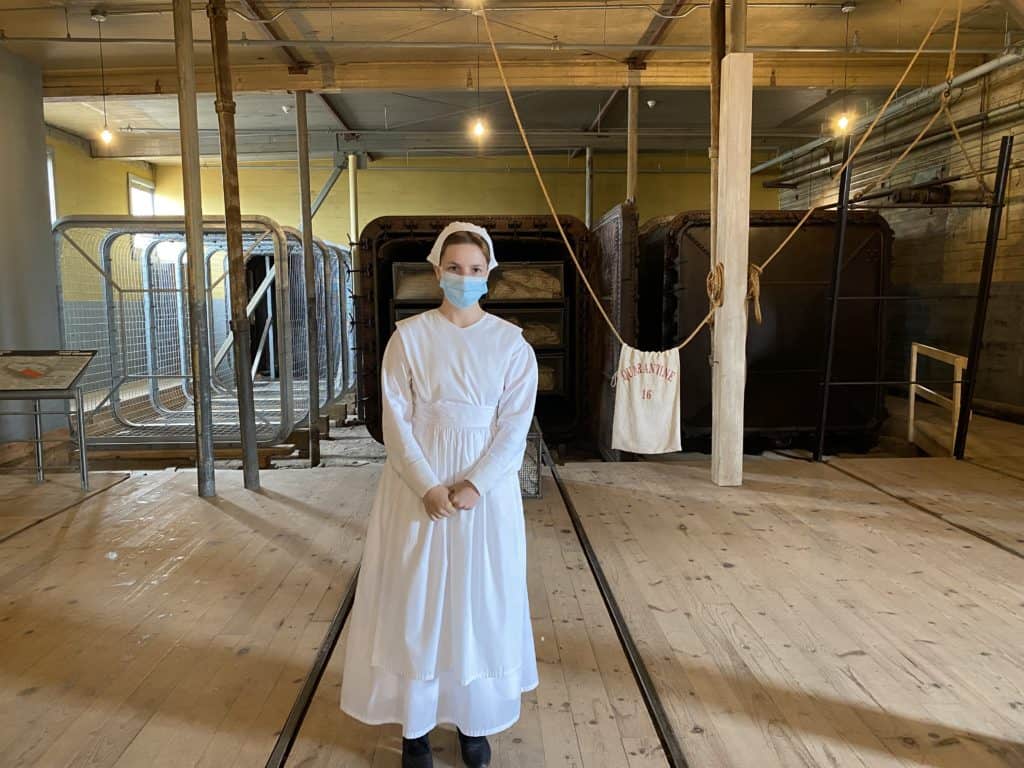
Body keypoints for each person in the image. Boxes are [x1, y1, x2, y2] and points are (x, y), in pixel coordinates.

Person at [339, 222, 540, 768]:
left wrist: (476, 484)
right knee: (417, 599)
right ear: (436, 271)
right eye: (455, 268)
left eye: (475, 270)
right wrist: (427, 484)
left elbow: (514, 426)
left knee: (480, 597)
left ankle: (475, 721)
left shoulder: (511, 344)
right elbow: (396, 420)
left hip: (484, 493)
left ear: (488, 275)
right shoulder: (410, 339)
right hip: (416, 486)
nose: (465, 277)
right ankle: (416, 726)